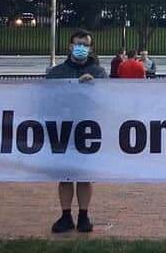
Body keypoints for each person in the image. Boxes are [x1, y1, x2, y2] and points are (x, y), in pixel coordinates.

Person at [46, 30, 106, 233]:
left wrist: (95, 87)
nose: (81, 48)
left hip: (87, 129)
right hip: (62, 129)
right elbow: (47, 100)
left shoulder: (98, 73)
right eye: (77, 44)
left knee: (83, 176)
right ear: (70, 47)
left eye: (85, 44)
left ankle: (83, 215)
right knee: (65, 176)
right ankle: (65, 216)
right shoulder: (56, 73)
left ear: (90, 48)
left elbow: (109, 100)